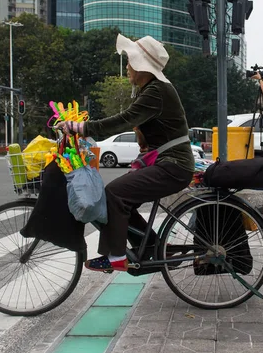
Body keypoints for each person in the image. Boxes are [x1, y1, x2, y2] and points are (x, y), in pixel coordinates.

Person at [57, 34, 194, 272]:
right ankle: (151, 247)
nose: (128, 67)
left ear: (143, 67)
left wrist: (81, 128)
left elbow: (124, 120)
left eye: (131, 61)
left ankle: (116, 256)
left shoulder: (156, 90)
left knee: (114, 194)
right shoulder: (150, 89)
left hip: (173, 166)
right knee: (124, 201)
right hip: (166, 163)